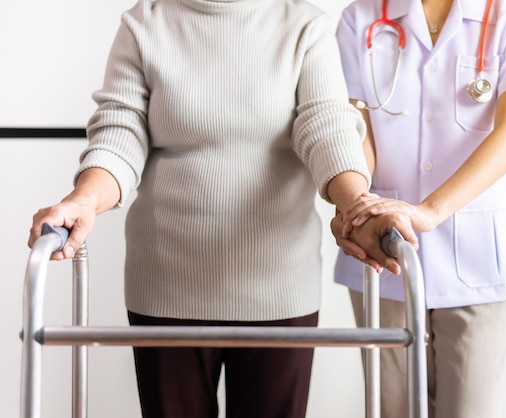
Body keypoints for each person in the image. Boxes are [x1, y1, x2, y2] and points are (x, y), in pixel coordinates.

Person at [27, 0, 416, 417]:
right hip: (166, 285)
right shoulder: (145, 23)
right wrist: (83, 200)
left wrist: (358, 204)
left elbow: (326, 127)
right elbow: (121, 130)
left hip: (277, 287)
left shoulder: (304, 25)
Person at [331, 0, 506, 417]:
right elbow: (354, 134)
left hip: (486, 264)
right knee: (391, 410)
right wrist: (356, 203)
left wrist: (430, 210)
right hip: (385, 253)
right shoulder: (360, 19)